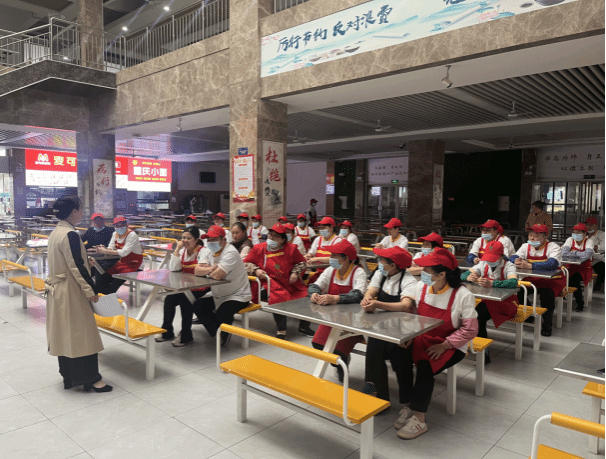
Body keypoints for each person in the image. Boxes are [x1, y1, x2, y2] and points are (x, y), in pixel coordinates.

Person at [393, 248, 478, 440]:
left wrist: (445, 345)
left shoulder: (462, 295)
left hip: (451, 344)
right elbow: (413, 316)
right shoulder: (420, 288)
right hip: (421, 337)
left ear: (442, 274)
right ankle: (408, 405)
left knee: (425, 365)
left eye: (427, 270)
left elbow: (471, 330)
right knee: (398, 356)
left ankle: (419, 419)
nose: (422, 273)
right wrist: (409, 335)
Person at [45, 196, 112, 393]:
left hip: (58, 290)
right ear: (74, 212)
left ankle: (69, 376)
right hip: (71, 291)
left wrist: (85, 260)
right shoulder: (71, 234)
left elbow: (68, 260)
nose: (81, 213)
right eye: (80, 210)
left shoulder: (56, 232)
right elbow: (76, 266)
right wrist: (91, 291)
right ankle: (92, 379)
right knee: (83, 335)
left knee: (65, 334)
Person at [360, 247, 417, 402]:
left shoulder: (408, 280)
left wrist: (378, 304)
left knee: (401, 361)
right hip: (381, 326)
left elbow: (405, 305)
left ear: (393, 266)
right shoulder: (381, 274)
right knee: (373, 354)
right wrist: (367, 298)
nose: (379, 263)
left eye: (383, 261)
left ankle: (407, 400)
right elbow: (371, 290)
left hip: (402, 329)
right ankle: (377, 395)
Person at [309, 240, 368, 381]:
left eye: (334, 256)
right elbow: (315, 285)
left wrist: (335, 298)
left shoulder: (358, 272)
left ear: (346, 258)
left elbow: (357, 295)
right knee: (317, 343)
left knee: (337, 349)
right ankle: (339, 363)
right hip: (332, 319)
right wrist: (314, 293)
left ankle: (342, 364)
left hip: (352, 322)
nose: (331, 258)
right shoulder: (331, 271)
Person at [244, 224, 313, 338]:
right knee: (278, 298)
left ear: (282, 239)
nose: (271, 238)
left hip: (290, 283)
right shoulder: (259, 248)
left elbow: (301, 263)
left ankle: (304, 327)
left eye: (275, 236)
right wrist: (256, 270)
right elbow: (246, 263)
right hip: (271, 282)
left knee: (306, 296)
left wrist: (295, 272)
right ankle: (281, 330)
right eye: (270, 235)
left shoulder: (291, 249)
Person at [193, 226, 252, 347]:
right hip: (218, 293)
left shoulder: (230, 252)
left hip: (238, 294)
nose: (211, 242)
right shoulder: (207, 250)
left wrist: (207, 271)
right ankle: (218, 333)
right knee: (198, 306)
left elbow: (218, 275)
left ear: (223, 240)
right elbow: (197, 271)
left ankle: (223, 335)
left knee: (222, 313)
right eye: (209, 239)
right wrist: (212, 269)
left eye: (214, 239)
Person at [462, 241, 518, 363]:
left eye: (494, 258)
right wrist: (468, 277)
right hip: (488, 300)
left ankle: (484, 353)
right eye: (488, 258)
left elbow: (513, 282)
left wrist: (492, 283)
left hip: (506, 303)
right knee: (475, 315)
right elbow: (465, 274)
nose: (490, 261)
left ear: (502, 256)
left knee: (478, 316)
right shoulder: (483, 264)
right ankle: (479, 346)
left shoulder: (508, 266)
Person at [156, 226, 210, 346]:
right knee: (169, 299)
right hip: (186, 286)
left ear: (196, 240)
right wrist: (177, 249)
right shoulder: (182, 251)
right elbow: (174, 269)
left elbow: (202, 270)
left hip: (202, 287)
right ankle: (167, 330)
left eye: (188, 238)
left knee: (185, 301)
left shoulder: (203, 251)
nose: (185, 240)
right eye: (183, 238)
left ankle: (186, 335)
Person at [510, 224, 565, 337]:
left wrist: (530, 266)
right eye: (530, 235)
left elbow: (552, 264)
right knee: (519, 291)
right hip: (532, 279)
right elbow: (513, 257)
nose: (532, 238)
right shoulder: (525, 246)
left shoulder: (553, 247)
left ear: (545, 237)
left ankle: (547, 325)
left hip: (551, 281)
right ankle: (529, 315)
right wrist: (515, 261)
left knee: (546, 297)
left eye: (536, 236)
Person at [95, 216, 144, 294]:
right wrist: (104, 248)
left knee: (115, 282)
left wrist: (105, 251)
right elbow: (111, 247)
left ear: (126, 225)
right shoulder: (115, 234)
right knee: (103, 277)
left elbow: (124, 252)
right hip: (122, 262)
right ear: (114, 226)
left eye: (122, 224)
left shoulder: (132, 235)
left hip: (134, 263)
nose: (120, 227)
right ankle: (100, 296)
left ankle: (107, 295)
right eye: (117, 225)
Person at [562, 223, 595, 312]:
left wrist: (573, 252)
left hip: (584, 269)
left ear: (584, 234)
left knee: (573, 280)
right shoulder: (569, 240)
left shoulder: (589, 242)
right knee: (561, 276)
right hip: (570, 267)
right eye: (574, 232)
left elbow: (587, 256)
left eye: (578, 233)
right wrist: (579, 254)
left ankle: (580, 303)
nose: (575, 234)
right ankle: (565, 295)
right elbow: (564, 254)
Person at [305, 217, 343, 285]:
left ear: (331, 228)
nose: (321, 230)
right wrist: (307, 256)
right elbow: (311, 253)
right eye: (320, 228)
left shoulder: (338, 240)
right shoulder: (318, 239)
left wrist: (317, 259)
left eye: (324, 228)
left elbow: (335, 259)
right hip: (319, 273)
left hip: (333, 274)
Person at [585, 217, 605, 291]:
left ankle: (597, 288)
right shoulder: (584, 235)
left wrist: (594, 247)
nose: (588, 227)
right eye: (587, 225)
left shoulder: (602, 235)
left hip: (598, 258)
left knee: (601, 269)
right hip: (585, 259)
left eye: (591, 225)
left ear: (596, 226)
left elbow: (603, 247)